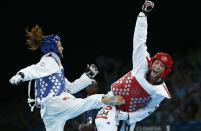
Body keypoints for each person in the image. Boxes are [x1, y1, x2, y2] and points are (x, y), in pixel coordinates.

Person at [9, 25, 125, 131]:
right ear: (52, 48)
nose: (62, 48)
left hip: (48, 113)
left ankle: (104, 99)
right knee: (87, 102)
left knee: (81, 103)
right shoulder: (49, 60)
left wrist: (87, 76)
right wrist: (21, 75)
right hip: (55, 104)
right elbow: (34, 69)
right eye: (60, 46)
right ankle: (107, 99)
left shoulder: (55, 69)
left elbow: (70, 88)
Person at [95, 1, 173, 131]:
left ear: (165, 72)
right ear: (152, 62)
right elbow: (139, 38)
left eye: (162, 66)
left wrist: (129, 116)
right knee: (102, 125)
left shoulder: (160, 92)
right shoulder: (142, 62)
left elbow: (148, 109)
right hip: (113, 100)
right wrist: (143, 14)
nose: (158, 67)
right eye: (157, 63)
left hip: (128, 116)